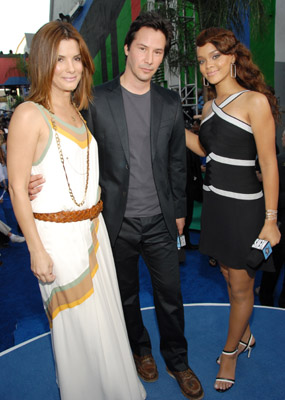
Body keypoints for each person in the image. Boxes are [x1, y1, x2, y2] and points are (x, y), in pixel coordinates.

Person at [29, 12, 204, 400]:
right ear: (127, 49)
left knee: (170, 296)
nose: (149, 59)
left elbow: (178, 160)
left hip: (161, 220)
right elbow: (67, 146)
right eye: (142, 48)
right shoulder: (94, 99)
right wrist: (29, 175)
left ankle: (178, 361)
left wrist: (179, 211)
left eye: (158, 52)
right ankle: (140, 350)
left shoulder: (170, 101)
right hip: (111, 222)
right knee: (123, 298)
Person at [7, 21, 146, 400]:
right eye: (59, 60)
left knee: (105, 319)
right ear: (42, 64)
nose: (70, 68)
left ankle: (115, 389)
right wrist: (36, 248)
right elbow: (18, 187)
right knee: (78, 328)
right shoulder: (28, 114)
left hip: (93, 232)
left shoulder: (79, 112)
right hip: (56, 238)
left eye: (76, 59)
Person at [185, 27, 280, 392]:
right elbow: (208, 150)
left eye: (215, 56)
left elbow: (269, 164)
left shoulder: (255, 102)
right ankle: (247, 333)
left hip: (245, 210)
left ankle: (230, 353)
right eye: (202, 59)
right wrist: (168, 128)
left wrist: (271, 222)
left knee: (242, 288)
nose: (209, 65)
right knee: (227, 274)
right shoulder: (208, 107)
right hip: (216, 206)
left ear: (232, 57)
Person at [259, 130, 285, 307]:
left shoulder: (277, 161)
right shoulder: (277, 159)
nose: (281, 138)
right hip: (278, 221)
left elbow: (273, 193)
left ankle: (266, 297)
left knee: (272, 265)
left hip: (278, 223)